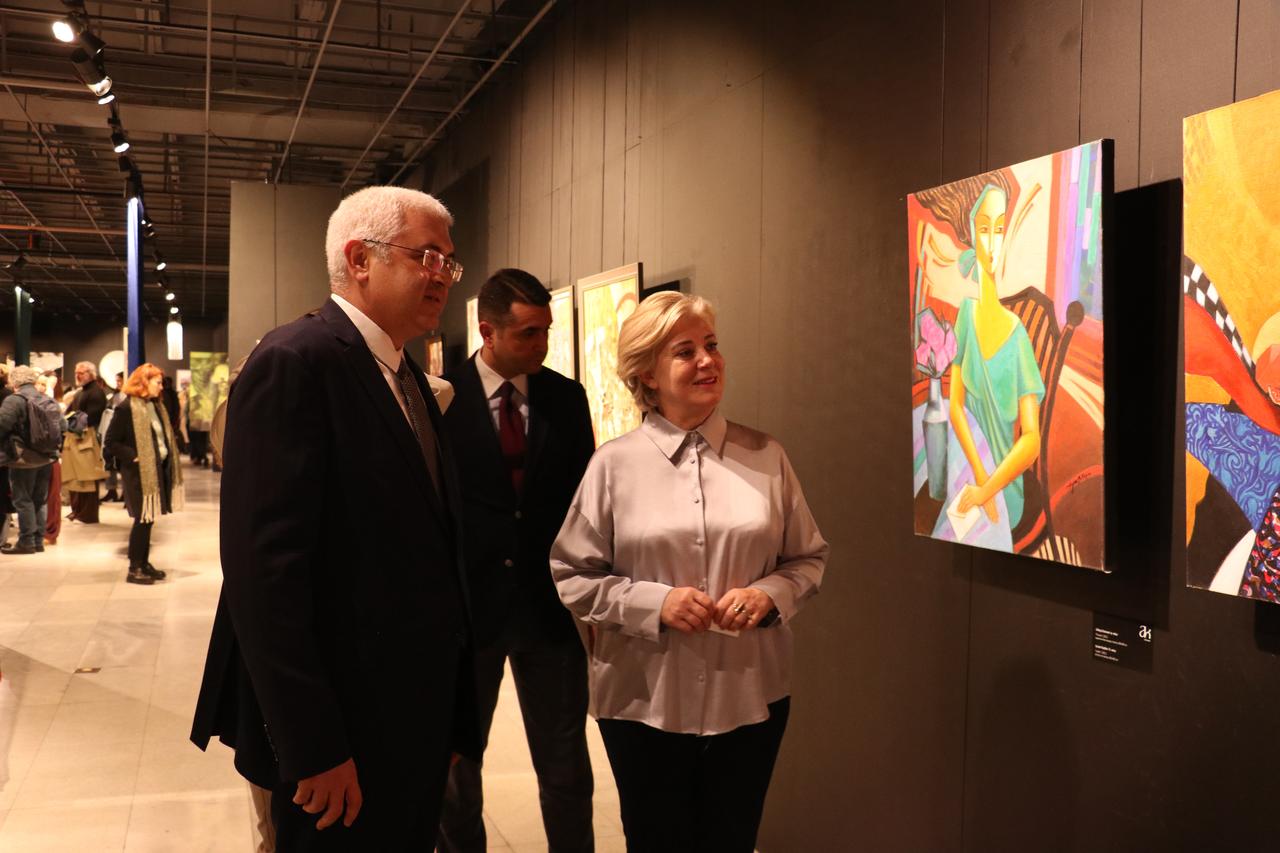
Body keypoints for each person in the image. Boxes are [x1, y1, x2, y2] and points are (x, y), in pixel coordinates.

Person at [191, 185, 478, 851]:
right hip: (341, 731)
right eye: (427, 255)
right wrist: (311, 744)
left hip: (408, 719)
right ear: (360, 258)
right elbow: (265, 576)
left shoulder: (405, 378)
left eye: (450, 262)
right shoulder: (295, 362)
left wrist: (452, 717)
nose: (443, 275)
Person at [550, 292, 829, 853]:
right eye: (686, 351)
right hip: (642, 704)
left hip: (751, 698)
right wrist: (657, 605)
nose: (708, 360)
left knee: (732, 840)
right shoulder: (613, 465)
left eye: (712, 345)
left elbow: (808, 557)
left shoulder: (766, 455)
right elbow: (572, 573)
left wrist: (769, 593)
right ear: (647, 375)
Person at [438, 269, 596, 853]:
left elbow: (586, 502)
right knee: (456, 771)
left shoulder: (566, 398)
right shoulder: (440, 399)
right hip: (468, 613)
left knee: (566, 770)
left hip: (549, 612)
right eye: (529, 333)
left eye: (546, 332)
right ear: (489, 331)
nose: (542, 345)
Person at [103, 363, 182, 584]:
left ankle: (143, 563)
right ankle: (134, 567)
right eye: (157, 382)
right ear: (144, 382)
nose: (161, 387)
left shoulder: (154, 406)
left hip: (156, 470)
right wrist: (134, 456)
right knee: (142, 518)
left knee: (148, 520)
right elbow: (110, 442)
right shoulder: (127, 408)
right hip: (137, 473)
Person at [0, 365, 63, 555]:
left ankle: (26, 541)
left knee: (22, 499)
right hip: (47, 457)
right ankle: (37, 541)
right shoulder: (46, 398)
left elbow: (2, 424)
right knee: (39, 499)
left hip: (23, 458)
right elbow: (64, 425)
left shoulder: (14, 400)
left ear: (14, 381)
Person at [64, 361, 108, 524]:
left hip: (87, 439)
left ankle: (88, 514)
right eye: (76, 372)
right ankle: (77, 510)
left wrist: (68, 421)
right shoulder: (81, 392)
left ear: (91, 374)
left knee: (87, 478)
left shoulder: (96, 392)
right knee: (76, 478)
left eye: (81, 372)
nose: (77, 375)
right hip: (77, 437)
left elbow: (90, 418)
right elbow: (70, 413)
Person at [100, 371, 126, 502]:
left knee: (121, 465)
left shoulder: (127, 397)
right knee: (109, 463)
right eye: (117, 381)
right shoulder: (114, 395)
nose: (118, 383)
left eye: (120, 380)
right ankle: (112, 490)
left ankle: (125, 493)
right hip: (111, 433)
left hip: (122, 436)